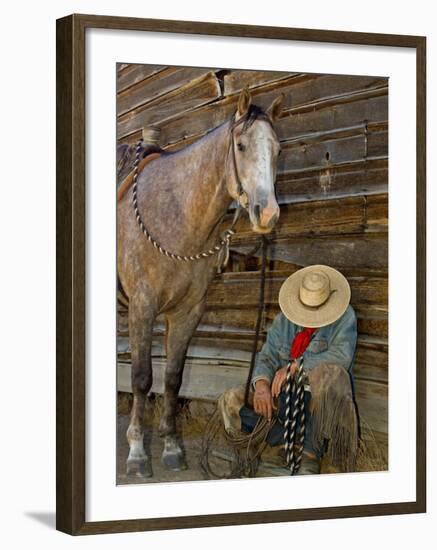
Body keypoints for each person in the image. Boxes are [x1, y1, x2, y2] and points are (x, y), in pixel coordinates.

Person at [218, 264, 359, 475]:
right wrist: (262, 385)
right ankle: (257, 450)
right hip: (284, 400)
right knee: (231, 398)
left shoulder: (344, 317)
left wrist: (296, 366)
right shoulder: (283, 321)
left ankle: (309, 453)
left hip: (316, 406)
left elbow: (342, 356)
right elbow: (267, 355)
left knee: (332, 373)